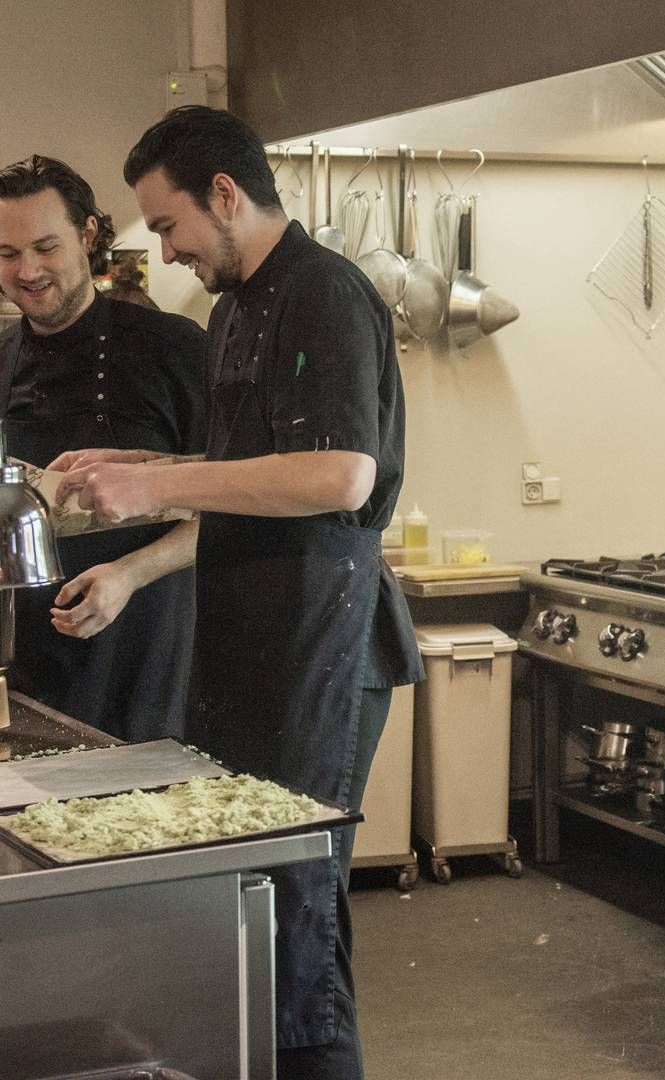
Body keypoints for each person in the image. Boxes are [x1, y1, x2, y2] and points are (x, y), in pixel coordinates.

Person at [54, 107, 422, 1078]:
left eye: (168, 226)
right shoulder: (235, 309)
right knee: (247, 911)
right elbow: (248, 480)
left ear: (224, 195)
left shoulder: (324, 293)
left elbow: (339, 477)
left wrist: (160, 484)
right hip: (249, 653)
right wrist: (141, 507)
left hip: (324, 646)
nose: (167, 253)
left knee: (294, 920)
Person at [0, 155, 205, 741]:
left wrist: (129, 573)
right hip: (24, 666)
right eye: (7, 254)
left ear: (88, 234)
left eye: (45, 247)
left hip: (143, 655)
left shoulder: (173, 348)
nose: (27, 271)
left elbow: (233, 501)